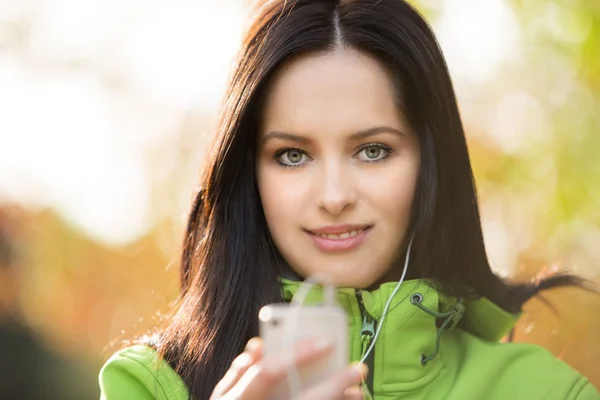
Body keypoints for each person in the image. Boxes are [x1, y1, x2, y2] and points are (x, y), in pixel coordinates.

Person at [99, 0, 600, 399]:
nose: (335, 197)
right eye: (292, 155)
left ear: (430, 166)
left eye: (373, 150)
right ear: (248, 173)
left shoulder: (546, 392)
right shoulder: (148, 387)